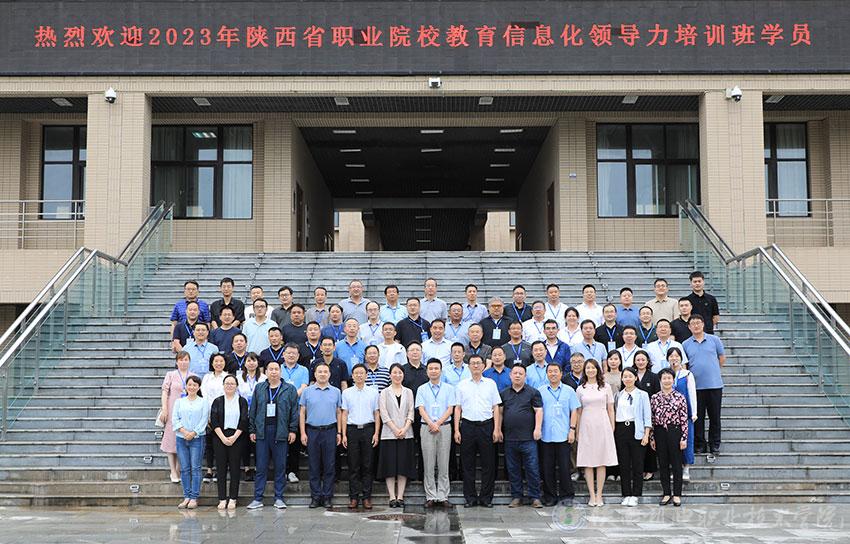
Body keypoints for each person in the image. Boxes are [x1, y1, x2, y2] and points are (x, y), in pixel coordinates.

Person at [246, 360, 299, 510]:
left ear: (280, 372)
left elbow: (294, 411)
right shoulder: (259, 388)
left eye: (276, 369)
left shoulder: (289, 389)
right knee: (261, 467)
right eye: (271, 369)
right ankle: (258, 498)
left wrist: (292, 430)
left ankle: (279, 497)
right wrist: (252, 430)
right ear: (266, 372)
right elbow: (253, 410)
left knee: (280, 466)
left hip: (281, 431)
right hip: (262, 431)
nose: (274, 372)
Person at [454, 354, 502, 508]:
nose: (475, 366)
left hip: (486, 426)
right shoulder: (462, 385)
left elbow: (496, 407)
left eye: (478, 363)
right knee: (467, 464)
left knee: (489, 464)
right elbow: (458, 408)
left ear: (483, 366)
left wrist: (496, 429)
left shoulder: (490, 384)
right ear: (468, 366)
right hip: (467, 426)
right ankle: (470, 498)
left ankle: (486, 498)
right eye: (473, 363)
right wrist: (456, 430)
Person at [499, 365, 544, 508]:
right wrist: (498, 429)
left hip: (528, 438)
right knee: (513, 469)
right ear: (510, 375)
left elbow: (538, 411)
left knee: (532, 468)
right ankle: (516, 496)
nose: (517, 375)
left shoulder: (533, 392)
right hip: (510, 438)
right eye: (515, 373)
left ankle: (535, 497)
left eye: (520, 373)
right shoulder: (504, 393)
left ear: (525, 376)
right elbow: (500, 413)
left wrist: (537, 428)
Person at [300, 362, 343, 508]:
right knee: (314, 465)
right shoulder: (307, 391)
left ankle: (327, 496)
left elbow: (339, 412)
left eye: (325, 372)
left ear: (329, 374)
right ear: (315, 374)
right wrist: (303, 432)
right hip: (312, 431)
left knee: (329, 465)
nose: (323, 374)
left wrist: (339, 432)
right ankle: (315, 496)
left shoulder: (336, 391)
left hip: (330, 431)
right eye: (320, 371)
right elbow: (302, 413)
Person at [538, 362, 581, 506]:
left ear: (561, 373)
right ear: (547, 374)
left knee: (564, 467)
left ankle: (567, 496)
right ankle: (550, 496)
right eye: (550, 371)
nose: (553, 374)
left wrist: (572, 429)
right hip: (546, 435)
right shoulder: (541, 391)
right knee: (547, 468)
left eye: (555, 371)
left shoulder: (569, 391)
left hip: (563, 434)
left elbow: (574, 411)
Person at [576, 359, 617, 507]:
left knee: (601, 460)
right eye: (588, 368)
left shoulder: (606, 387)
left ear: (598, 370)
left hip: (602, 424)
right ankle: (591, 495)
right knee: (588, 461)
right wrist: (577, 430)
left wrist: (611, 427)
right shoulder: (580, 389)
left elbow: (610, 409)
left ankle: (599, 494)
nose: (590, 370)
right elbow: (578, 411)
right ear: (584, 370)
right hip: (586, 425)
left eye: (593, 368)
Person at [682, 314, 726, 454]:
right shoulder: (685, 344)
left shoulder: (714, 340)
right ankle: (700, 444)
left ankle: (715, 444)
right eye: (693, 323)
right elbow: (685, 365)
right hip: (696, 387)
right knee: (698, 417)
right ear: (689, 327)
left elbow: (722, 358)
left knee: (715, 417)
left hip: (714, 385)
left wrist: (712, 371)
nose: (696, 325)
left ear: (703, 324)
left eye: (698, 323)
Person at [416, 359, 456, 507]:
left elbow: (450, 409)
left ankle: (443, 496)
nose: (433, 371)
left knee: (444, 462)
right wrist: (431, 423)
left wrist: (438, 423)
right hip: (427, 427)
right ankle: (431, 496)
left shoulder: (449, 389)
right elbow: (421, 409)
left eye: (436, 368)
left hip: (444, 427)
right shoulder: (421, 389)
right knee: (428, 463)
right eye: (431, 368)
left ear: (441, 371)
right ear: (427, 371)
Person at [341, 364, 381, 510]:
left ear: (366, 375)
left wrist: (376, 433)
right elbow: (344, 414)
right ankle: (353, 497)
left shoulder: (373, 392)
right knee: (353, 465)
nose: (359, 375)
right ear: (352, 376)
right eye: (356, 373)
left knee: (368, 465)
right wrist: (343, 434)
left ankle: (366, 497)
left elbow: (377, 413)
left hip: (368, 429)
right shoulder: (346, 393)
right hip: (352, 430)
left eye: (361, 373)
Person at [378, 364, 416, 507]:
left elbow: (411, 411)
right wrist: (395, 429)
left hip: (406, 434)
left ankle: (400, 496)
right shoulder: (384, 392)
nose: (397, 375)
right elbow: (383, 413)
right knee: (390, 467)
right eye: (394, 372)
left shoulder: (408, 392)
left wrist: (404, 428)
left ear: (403, 375)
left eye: (400, 373)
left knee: (403, 466)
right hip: (389, 434)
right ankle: (392, 497)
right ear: (390, 375)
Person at [613, 367, 652, 507]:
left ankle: (635, 494)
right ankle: (626, 494)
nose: (627, 379)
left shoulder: (642, 394)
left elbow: (647, 416)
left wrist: (646, 434)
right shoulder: (618, 395)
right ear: (622, 379)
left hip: (637, 429)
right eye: (625, 376)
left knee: (637, 464)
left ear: (636, 378)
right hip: (621, 429)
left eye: (630, 376)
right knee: (623, 464)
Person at [650, 368, 689, 507]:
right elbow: (652, 419)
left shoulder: (680, 397)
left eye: (669, 378)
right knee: (663, 464)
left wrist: (684, 437)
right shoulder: (654, 398)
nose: (667, 381)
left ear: (673, 380)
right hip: (659, 431)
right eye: (664, 378)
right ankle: (666, 493)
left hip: (675, 431)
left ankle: (677, 494)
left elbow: (684, 419)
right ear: (660, 380)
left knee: (677, 464)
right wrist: (652, 437)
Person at [210, 374, 249, 510]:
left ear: (237, 386)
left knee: (235, 468)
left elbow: (244, 420)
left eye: (232, 383)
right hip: (220, 436)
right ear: (223, 385)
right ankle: (222, 498)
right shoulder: (217, 401)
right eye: (227, 383)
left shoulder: (242, 401)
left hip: (237, 437)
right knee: (220, 469)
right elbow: (214, 420)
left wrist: (234, 437)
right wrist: (222, 437)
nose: (229, 386)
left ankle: (233, 498)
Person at [172, 375, 209, 510]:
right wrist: (184, 432)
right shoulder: (179, 402)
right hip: (181, 438)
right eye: (190, 385)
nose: (192, 387)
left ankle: (194, 497)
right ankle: (186, 496)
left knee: (196, 468)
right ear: (186, 386)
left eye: (195, 385)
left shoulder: (204, 402)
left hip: (197, 438)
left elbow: (204, 420)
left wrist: (193, 433)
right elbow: (175, 419)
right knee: (185, 468)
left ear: (199, 387)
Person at [159, 351, 196, 483]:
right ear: (176, 361)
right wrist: (164, 408)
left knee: (183, 439)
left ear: (189, 361)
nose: (183, 362)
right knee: (170, 439)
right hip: (172, 409)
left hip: (187, 411)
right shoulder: (171, 375)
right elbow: (165, 392)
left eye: (186, 359)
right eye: (181, 359)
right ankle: (173, 471)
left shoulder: (193, 376)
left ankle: (179, 469)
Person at [280, 343, 310, 484]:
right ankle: (281, 471)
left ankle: (292, 471)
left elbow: (304, 387)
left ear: (298, 356)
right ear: (283, 354)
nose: (291, 355)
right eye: (288, 353)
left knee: (294, 442)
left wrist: (290, 397)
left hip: (297, 410)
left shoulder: (303, 370)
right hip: (280, 410)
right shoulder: (278, 368)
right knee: (281, 441)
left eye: (294, 353)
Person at [668, 347, 697, 481]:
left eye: (676, 356)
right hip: (669, 415)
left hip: (685, 413)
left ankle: (686, 468)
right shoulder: (666, 374)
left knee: (687, 440)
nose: (674, 358)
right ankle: (676, 468)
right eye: (671, 356)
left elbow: (692, 393)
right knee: (673, 442)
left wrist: (694, 412)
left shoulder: (687, 374)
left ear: (681, 358)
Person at [237, 353, 264, 482]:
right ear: (245, 363)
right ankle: (247, 468)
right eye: (248, 361)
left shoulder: (263, 378)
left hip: (259, 414)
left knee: (257, 442)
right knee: (245, 443)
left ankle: (259, 468)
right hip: (243, 414)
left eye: (254, 361)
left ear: (257, 363)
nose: (251, 363)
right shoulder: (239, 378)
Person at [633, 350, 660, 480]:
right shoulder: (631, 375)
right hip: (635, 414)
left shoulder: (654, 377)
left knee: (649, 441)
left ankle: (650, 469)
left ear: (648, 361)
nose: (640, 362)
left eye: (643, 360)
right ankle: (639, 469)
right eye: (638, 360)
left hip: (649, 413)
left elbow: (657, 395)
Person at [201, 353, 228, 482]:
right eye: (216, 361)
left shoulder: (227, 376)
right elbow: (204, 396)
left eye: (221, 361)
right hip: (208, 412)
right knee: (209, 443)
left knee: (221, 443)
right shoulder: (207, 377)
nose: (218, 363)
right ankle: (209, 470)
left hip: (223, 413)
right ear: (212, 363)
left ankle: (220, 470)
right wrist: (207, 415)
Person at [403, 347, 429, 481]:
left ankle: (422, 474)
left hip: (424, 414)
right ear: (407, 354)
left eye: (417, 350)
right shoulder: (403, 370)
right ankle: (409, 473)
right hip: (406, 414)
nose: (414, 352)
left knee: (424, 445)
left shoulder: (427, 370)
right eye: (411, 350)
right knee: (408, 445)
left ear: (421, 353)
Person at [684, 271, 720, 335]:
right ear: (691, 284)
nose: (697, 283)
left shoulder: (711, 299)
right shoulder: (687, 300)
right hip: (692, 333)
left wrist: (707, 326)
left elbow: (716, 317)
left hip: (708, 332)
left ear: (703, 282)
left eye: (699, 281)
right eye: (695, 282)